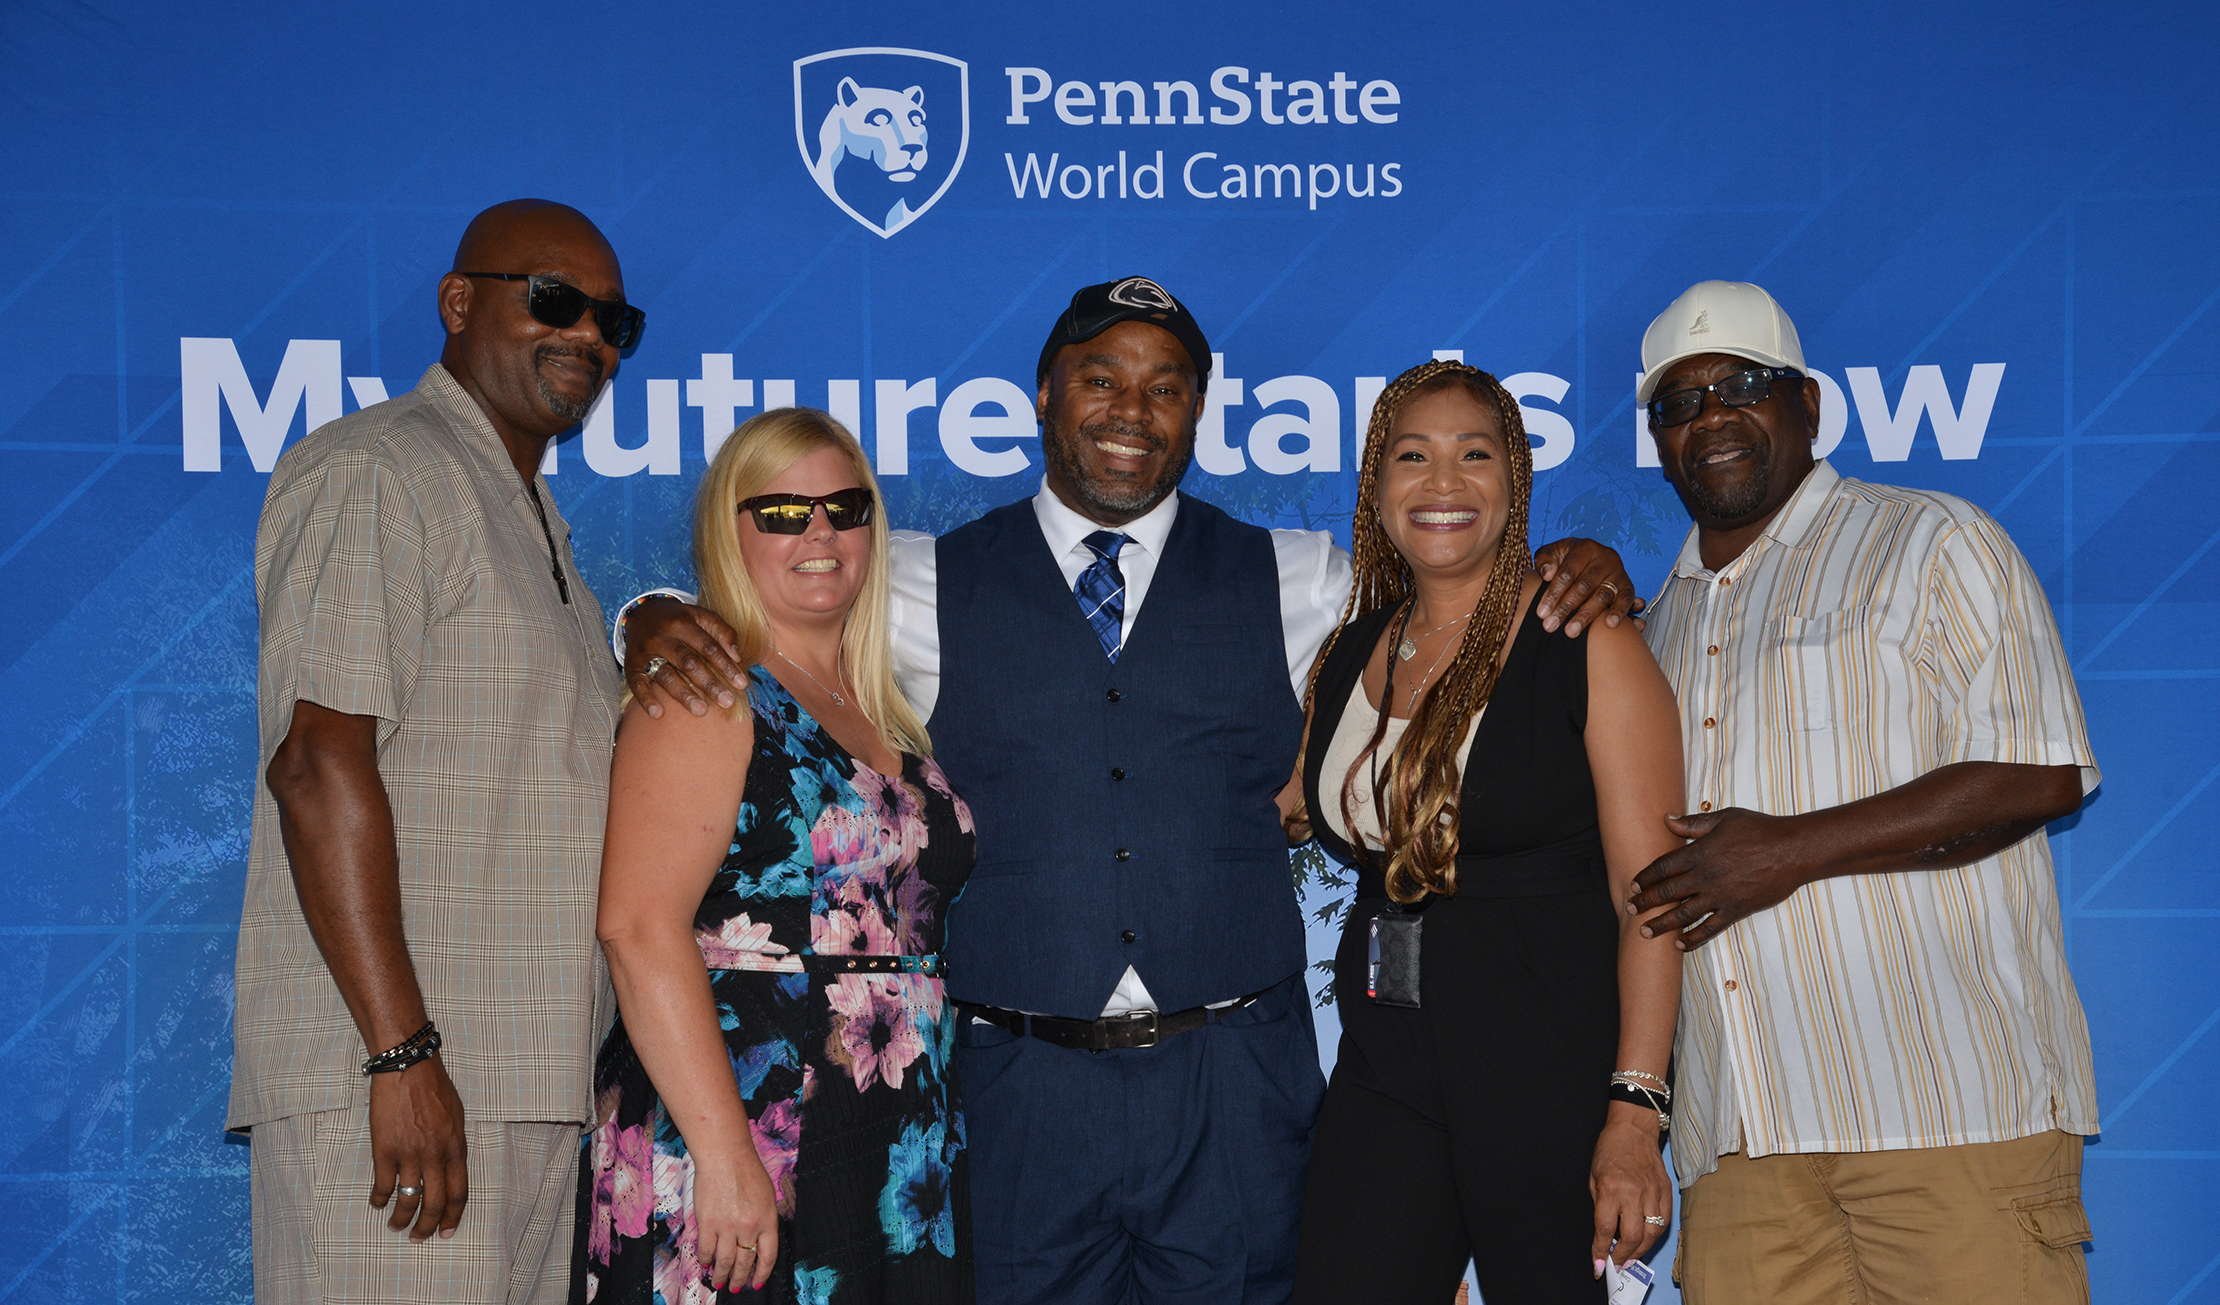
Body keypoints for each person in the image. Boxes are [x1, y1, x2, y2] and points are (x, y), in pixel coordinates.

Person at [621, 277, 1643, 1305]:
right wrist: (651, 621)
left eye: (1165, 388)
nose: (1131, 410)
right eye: (1100, 378)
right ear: (1043, 395)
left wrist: (1572, 561)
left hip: (1235, 1086)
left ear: (1196, 412)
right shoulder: (915, 582)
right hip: (1019, 1091)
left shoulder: (1303, 578)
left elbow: (1445, 611)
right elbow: (774, 618)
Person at [1625, 280, 2101, 1302]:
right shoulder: (1649, 627)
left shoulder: (1930, 541)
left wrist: (1784, 850)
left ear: (1809, 406)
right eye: (1677, 402)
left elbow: (2038, 771)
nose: (1709, 417)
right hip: (1739, 1143)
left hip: (1947, 1117)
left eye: (1741, 386)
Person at [229, 199, 644, 1303]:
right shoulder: (380, 468)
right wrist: (401, 1056)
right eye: (554, 300)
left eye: (615, 320)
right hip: (407, 1088)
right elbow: (317, 766)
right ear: (460, 304)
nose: (589, 336)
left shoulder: (523, 513)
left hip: (522, 1085)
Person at [1284, 360, 1685, 1304]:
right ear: (1377, 487)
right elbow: (1285, 805)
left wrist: (1635, 1111)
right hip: (1386, 1068)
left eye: (1475, 454)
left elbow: (1653, 901)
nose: (1443, 483)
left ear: (1516, 484)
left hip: (1546, 1074)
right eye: (1412, 456)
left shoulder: (1589, 643)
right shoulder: (1352, 650)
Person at [579, 408, 975, 1304]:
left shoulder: (886, 710)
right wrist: (725, 1156)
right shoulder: (706, 693)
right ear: (731, 530)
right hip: (746, 1130)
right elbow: (638, 928)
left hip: (891, 1137)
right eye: (784, 513)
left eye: (843, 506)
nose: (821, 532)